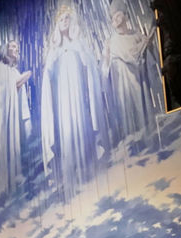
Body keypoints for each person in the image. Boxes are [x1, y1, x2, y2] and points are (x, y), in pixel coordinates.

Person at [41, 4, 106, 204]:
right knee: (67, 134)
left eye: (67, 19)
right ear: (57, 26)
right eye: (61, 20)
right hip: (62, 103)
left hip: (79, 98)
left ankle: (88, 174)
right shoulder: (54, 51)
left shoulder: (79, 44)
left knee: (82, 128)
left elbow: (91, 69)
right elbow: (47, 79)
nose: (65, 22)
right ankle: (70, 179)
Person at [0, 40, 32, 197]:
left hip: (13, 116)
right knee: (2, 145)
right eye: (12, 46)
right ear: (5, 49)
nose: (15, 49)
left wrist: (20, 81)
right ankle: (2, 180)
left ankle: (15, 174)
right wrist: (13, 84)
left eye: (17, 47)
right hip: (1, 114)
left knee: (14, 143)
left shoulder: (15, 71)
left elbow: (19, 94)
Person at [102, 0, 158, 141]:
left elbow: (146, 55)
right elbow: (131, 56)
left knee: (143, 110)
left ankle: (149, 137)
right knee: (131, 114)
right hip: (124, 85)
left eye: (118, 15)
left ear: (126, 16)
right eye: (113, 17)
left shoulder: (136, 34)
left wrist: (147, 44)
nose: (115, 18)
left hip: (140, 81)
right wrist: (142, 45)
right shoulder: (113, 41)